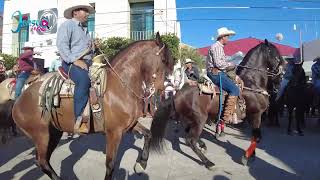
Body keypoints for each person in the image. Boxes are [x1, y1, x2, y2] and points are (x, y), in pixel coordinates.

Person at [56, 1, 95, 132]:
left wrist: (94, 49)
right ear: (76, 12)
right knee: (84, 80)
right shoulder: (67, 25)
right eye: (85, 10)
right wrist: (75, 61)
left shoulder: (85, 30)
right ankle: (79, 118)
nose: (88, 13)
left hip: (88, 62)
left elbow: (88, 50)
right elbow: (62, 46)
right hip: (71, 64)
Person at [206, 27, 240, 123]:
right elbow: (219, 64)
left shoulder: (219, 47)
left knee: (234, 83)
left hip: (217, 72)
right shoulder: (217, 47)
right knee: (235, 89)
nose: (228, 39)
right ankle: (225, 117)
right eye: (227, 37)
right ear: (222, 37)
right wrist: (231, 65)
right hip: (215, 73)